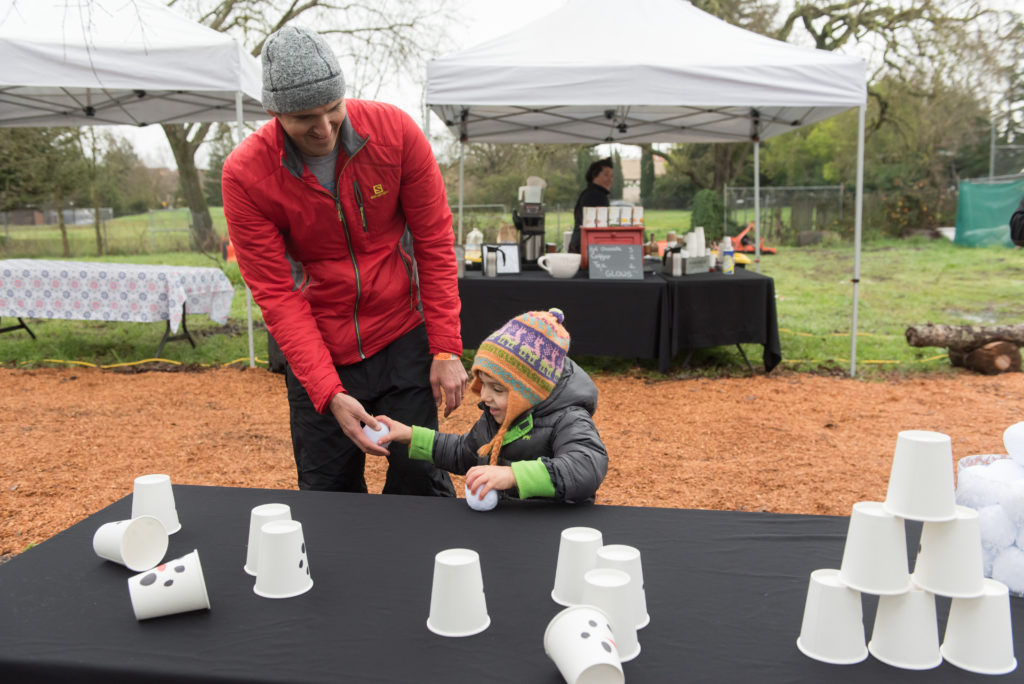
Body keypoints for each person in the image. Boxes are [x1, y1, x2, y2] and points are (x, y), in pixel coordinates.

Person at [221, 25, 464, 496]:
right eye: (304, 117)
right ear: (274, 113)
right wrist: (328, 391)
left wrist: (446, 348)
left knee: (420, 482)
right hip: (321, 342)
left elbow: (434, 241)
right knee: (328, 492)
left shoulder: (395, 133)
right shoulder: (246, 174)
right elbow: (277, 294)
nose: (325, 128)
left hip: (402, 334)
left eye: (334, 108)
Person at [371, 308, 608, 504]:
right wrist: (410, 436)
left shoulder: (568, 418)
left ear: (531, 390)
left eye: (497, 389)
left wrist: (513, 475)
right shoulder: (496, 416)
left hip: (554, 530)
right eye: (482, 384)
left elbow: (585, 467)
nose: (484, 396)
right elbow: (464, 452)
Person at [568, 158, 614, 254]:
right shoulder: (596, 195)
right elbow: (599, 228)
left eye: (611, 176)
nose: (610, 179)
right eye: (606, 175)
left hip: (579, 247)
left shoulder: (588, 193)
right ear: (594, 175)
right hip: (587, 250)